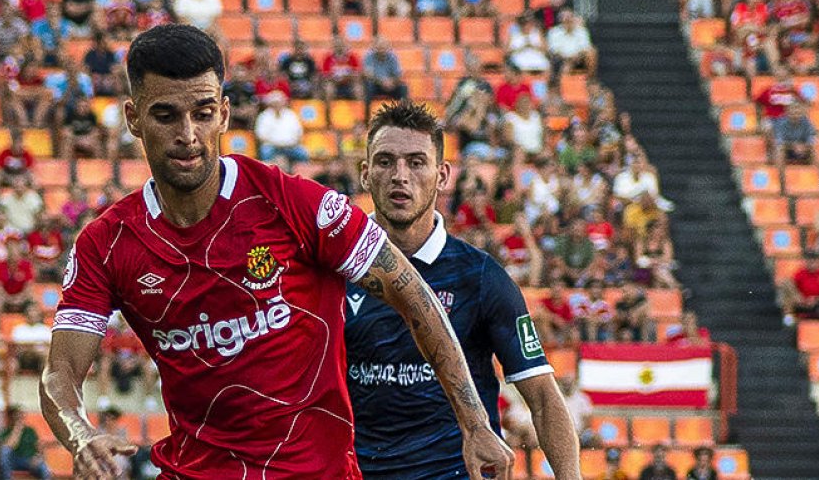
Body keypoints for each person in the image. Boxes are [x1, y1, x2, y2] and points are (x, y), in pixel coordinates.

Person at [40, 24, 512, 479]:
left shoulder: (296, 205)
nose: (188, 134)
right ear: (134, 119)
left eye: (203, 113)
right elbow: (59, 374)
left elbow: (414, 295)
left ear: (224, 114)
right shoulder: (106, 245)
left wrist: (475, 425)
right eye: (166, 116)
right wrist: (80, 435)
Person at [345, 101, 579, 479]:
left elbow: (542, 397)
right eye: (386, 162)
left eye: (416, 162)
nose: (400, 176)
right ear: (366, 174)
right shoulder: (335, 269)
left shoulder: (482, 277)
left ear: (442, 175)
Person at [254, 90, 308, 171]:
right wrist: (276, 143)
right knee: (265, 152)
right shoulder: (264, 116)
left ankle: (301, 175)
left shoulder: (291, 114)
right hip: (272, 146)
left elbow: (298, 132)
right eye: (275, 103)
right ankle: (267, 174)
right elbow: (260, 135)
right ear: (270, 104)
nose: (277, 105)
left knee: (303, 153)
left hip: (290, 146)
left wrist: (294, 142)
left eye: (279, 102)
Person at [0, 405, 52, 480]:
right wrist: (18, 428)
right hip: (14, 461)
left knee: (44, 468)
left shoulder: (30, 430)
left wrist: (39, 458)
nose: (21, 418)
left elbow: (40, 447)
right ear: (11, 418)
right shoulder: (5, 432)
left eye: (21, 416)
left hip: (29, 460)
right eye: (17, 416)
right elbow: (10, 446)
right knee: (4, 451)